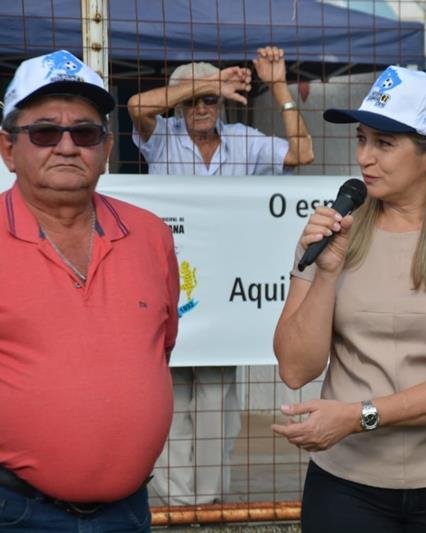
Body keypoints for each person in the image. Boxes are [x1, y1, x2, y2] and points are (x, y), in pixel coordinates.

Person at [271, 66, 426, 533]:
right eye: (361, 139)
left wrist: (359, 417)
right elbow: (295, 369)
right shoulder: (334, 232)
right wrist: (326, 274)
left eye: (384, 144)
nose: (364, 157)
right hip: (346, 484)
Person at [0, 50, 179, 530]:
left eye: (84, 133)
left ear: (105, 148)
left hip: (128, 512)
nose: (66, 146)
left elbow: (159, 347)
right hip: (14, 511)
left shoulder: (150, 235)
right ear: (8, 149)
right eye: (44, 132)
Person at [127, 46, 314, 506]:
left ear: (223, 103)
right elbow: (135, 106)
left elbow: (303, 152)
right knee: (169, 393)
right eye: (191, 99)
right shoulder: (164, 136)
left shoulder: (244, 140)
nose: (201, 108)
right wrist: (208, 83)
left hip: (225, 293)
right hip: (170, 285)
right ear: (179, 102)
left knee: (216, 398)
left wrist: (278, 86)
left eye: (210, 99)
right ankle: (176, 501)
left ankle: (207, 500)